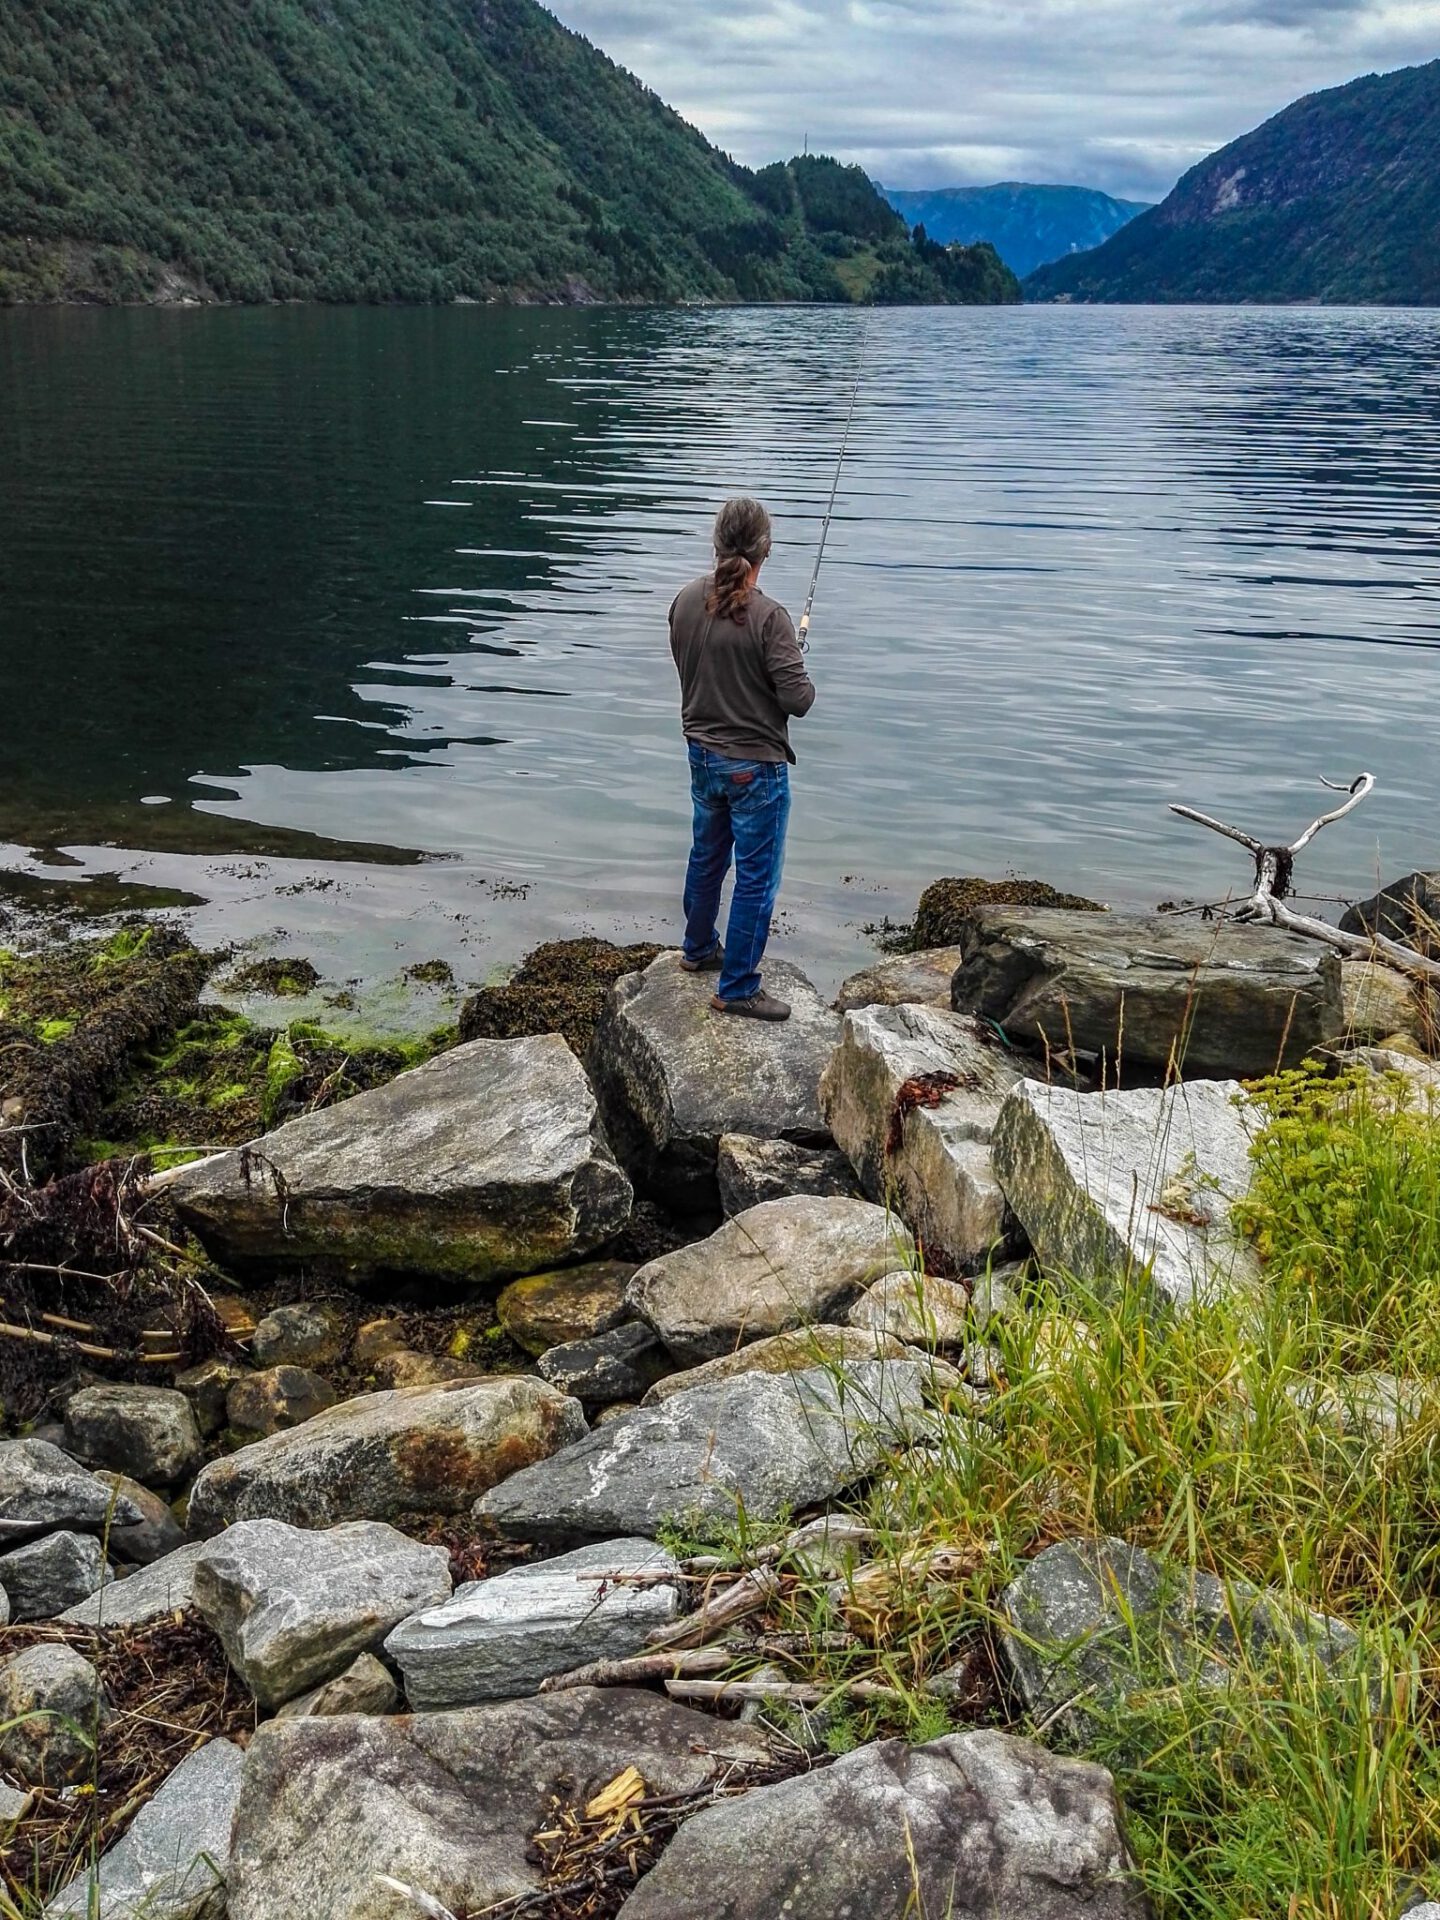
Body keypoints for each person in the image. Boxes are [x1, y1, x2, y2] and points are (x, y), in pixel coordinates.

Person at [668, 497, 816, 1022]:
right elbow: (799, 700)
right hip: (755, 770)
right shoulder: (770, 619)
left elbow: (693, 666)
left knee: (706, 857)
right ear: (764, 551)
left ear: (716, 544)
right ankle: (737, 987)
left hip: (702, 759)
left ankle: (697, 948)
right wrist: (793, 661)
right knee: (756, 878)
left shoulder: (685, 600)